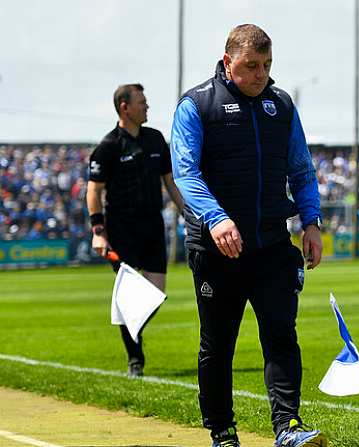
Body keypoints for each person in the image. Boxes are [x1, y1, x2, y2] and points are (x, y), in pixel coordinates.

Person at [170, 24, 326, 447]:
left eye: (267, 65)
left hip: (273, 243)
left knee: (281, 334)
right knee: (218, 344)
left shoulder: (282, 104)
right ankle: (223, 431)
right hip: (215, 248)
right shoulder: (197, 105)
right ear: (228, 62)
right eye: (251, 66)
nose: (261, 74)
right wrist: (216, 218)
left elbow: (301, 169)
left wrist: (311, 222)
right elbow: (186, 173)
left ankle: (288, 427)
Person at [86, 83, 184, 377]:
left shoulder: (155, 140)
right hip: (121, 227)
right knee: (129, 297)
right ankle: (135, 359)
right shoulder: (108, 147)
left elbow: (170, 183)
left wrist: (189, 214)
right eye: (142, 102)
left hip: (153, 225)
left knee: (156, 293)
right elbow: (93, 191)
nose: (147, 107)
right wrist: (98, 231)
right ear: (124, 107)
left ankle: (131, 326)